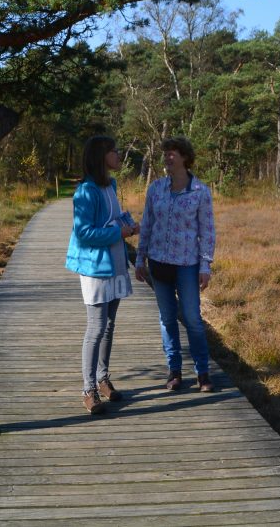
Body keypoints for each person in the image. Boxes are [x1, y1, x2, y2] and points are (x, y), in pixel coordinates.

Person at [135, 136, 217, 393]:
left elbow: (208, 231)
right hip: (159, 263)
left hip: (187, 264)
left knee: (192, 318)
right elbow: (147, 224)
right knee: (167, 318)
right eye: (166, 153)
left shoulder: (200, 191)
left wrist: (205, 266)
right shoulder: (156, 188)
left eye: (173, 153)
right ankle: (174, 371)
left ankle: (202, 373)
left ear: (185, 158)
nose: (168, 158)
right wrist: (140, 258)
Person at [66, 135, 139, 414]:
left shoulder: (111, 185)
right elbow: (84, 234)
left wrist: (129, 225)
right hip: (96, 266)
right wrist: (118, 232)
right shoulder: (86, 191)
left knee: (109, 326)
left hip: (116, 262)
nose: (119, 155)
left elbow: (113, 218)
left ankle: (102, 378)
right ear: (101, 156)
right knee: (96, 327)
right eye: (114, 151)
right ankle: (88, 389)